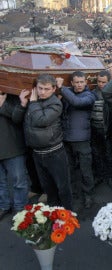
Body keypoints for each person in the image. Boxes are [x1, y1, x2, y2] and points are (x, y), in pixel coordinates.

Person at [20, 74, 72, 210]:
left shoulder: (55, 103)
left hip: (54, 153)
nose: (42, 92)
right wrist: (24, 104)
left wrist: (32, 103)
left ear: (54, 89)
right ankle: (54, 212)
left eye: (46, 89)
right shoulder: (34, 102)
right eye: (40, 88)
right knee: (48, 188)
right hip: (37, 153)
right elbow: (20, 120)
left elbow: (41, 121)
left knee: (63, 186)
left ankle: (68, 214)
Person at [58, 71, 97, 209]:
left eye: (82, 82)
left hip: (82, 140)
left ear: (85, 82)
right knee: (70, 169)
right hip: (66, 138)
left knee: (85, 169)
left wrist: (61, 88)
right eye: (77, 82)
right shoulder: (68, 94)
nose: (80, 85)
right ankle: (74, 193)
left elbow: (76, 102)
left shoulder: (89, 96)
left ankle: (88, 195)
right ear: (72, 83)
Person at [0, 91, 29, 219]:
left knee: (19, 181)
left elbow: (18, 118)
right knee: (0, 182)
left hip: (13, 147)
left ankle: (20, 208)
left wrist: (2, 104)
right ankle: (3, 206)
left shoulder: (14, 95)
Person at [90, 70, 112, 185]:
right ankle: (99, 176)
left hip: (108, 130)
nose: (101, 84)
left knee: (109, 155)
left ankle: (110, 177)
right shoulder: (92, 93)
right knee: (96, 154)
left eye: (104, 82)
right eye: (99, 81)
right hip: (95, 129)